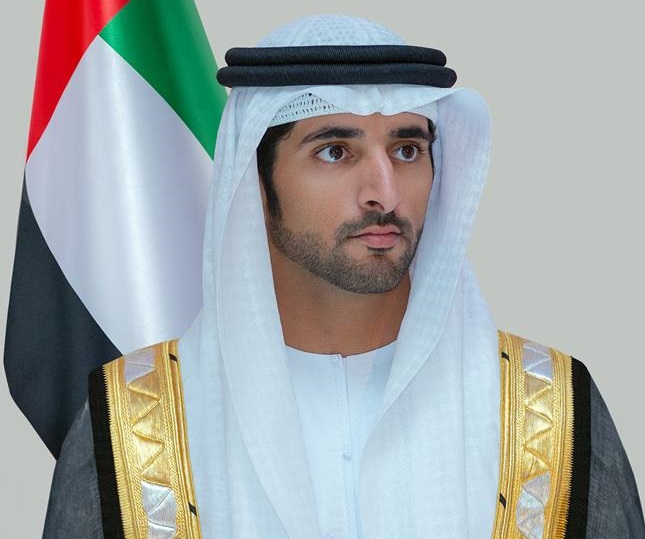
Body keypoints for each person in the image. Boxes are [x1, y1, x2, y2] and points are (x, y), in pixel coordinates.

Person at [43, 14, 644, 539]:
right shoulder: (132, 420)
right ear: (255, 184)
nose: (384, 193)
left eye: (407, 150)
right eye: (335, 151)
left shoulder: (551, 409)